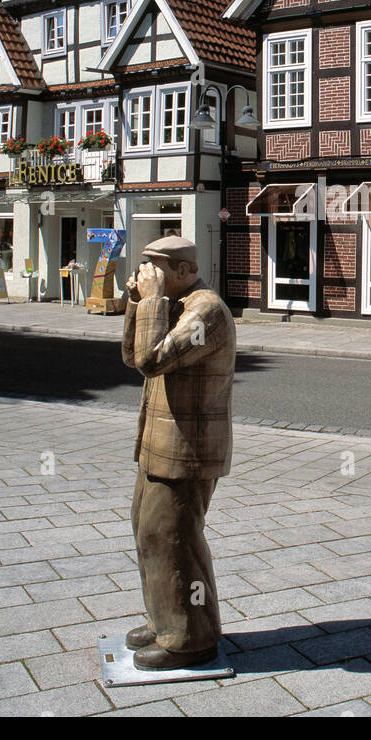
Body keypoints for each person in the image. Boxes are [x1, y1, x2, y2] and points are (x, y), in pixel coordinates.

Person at [121, 236, 235, 671]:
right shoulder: (173, 302)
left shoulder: (204, 311)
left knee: (176, 539)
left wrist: (150, 302)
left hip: (187, 450)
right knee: (150, 533)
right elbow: (131, 356)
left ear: (185, 270)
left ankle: (192, 638)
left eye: (156, 267)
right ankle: (166, 619)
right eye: (143, 266)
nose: (146, 274)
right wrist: (137, 303)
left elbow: (152, 359)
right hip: (159, 445)